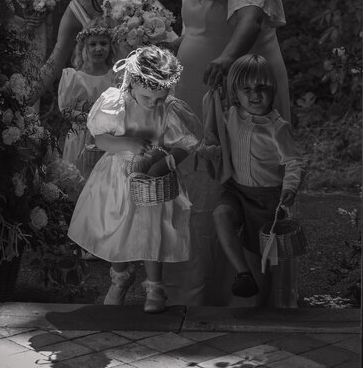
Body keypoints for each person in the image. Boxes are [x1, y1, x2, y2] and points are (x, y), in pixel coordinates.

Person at [162, 0, 290, 306]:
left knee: (246, 183)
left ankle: (248, 292)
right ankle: (196, 287)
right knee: (202, 183)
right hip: (205, 95)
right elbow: (197, 21)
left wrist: (224, 58)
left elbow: (250, 21)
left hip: (247, 90)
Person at [67, 45, 202, 313]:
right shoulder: (116, 103)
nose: (154, 104)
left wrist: (165, 162)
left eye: (160, 98)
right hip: (118, 176)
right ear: (133, 82)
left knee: (153, 230)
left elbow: (185, 144)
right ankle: (121, 277)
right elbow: (101, 138)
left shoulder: (167, 109)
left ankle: (154, 287)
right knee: (118, 230)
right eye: (148, 98)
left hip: (153, 180)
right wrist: (127, 141)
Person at [201, 54, 304, 303]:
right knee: (220, 215)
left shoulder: (278, 128)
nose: (254, 94)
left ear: (272, 89)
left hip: (266, 198)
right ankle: (242, 274)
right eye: (246, 89)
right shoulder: (231, 115)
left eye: (262, 88)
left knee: (262, 257)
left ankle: (265, 301)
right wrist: (209, 151)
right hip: (236, 190)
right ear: (235, 92)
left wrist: (290, 187)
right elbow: (213, 123)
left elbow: (294, 161)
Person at [34, 0, 107, 99]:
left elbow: (158, 15)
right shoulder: (74, 11)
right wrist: (23, 99)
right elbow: (54, 64)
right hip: (104, 91)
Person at [57, 23, 116, 179]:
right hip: (80, 138)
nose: (98, 48)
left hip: (108, 138)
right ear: (84, 47)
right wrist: (91, 117)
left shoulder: (115, 77)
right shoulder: (75, 78)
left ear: (111, 46)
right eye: (93, 44)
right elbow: (65, 110)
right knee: (78, 179)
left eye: (103, 43)